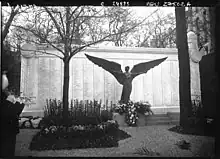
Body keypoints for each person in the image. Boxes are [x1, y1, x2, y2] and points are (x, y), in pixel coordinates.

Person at [0, 71, 25, 157]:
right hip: (8, 126)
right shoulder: (7, 101)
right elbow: (16, 109)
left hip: (9, 127)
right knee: (8, 149)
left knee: (9, 148)